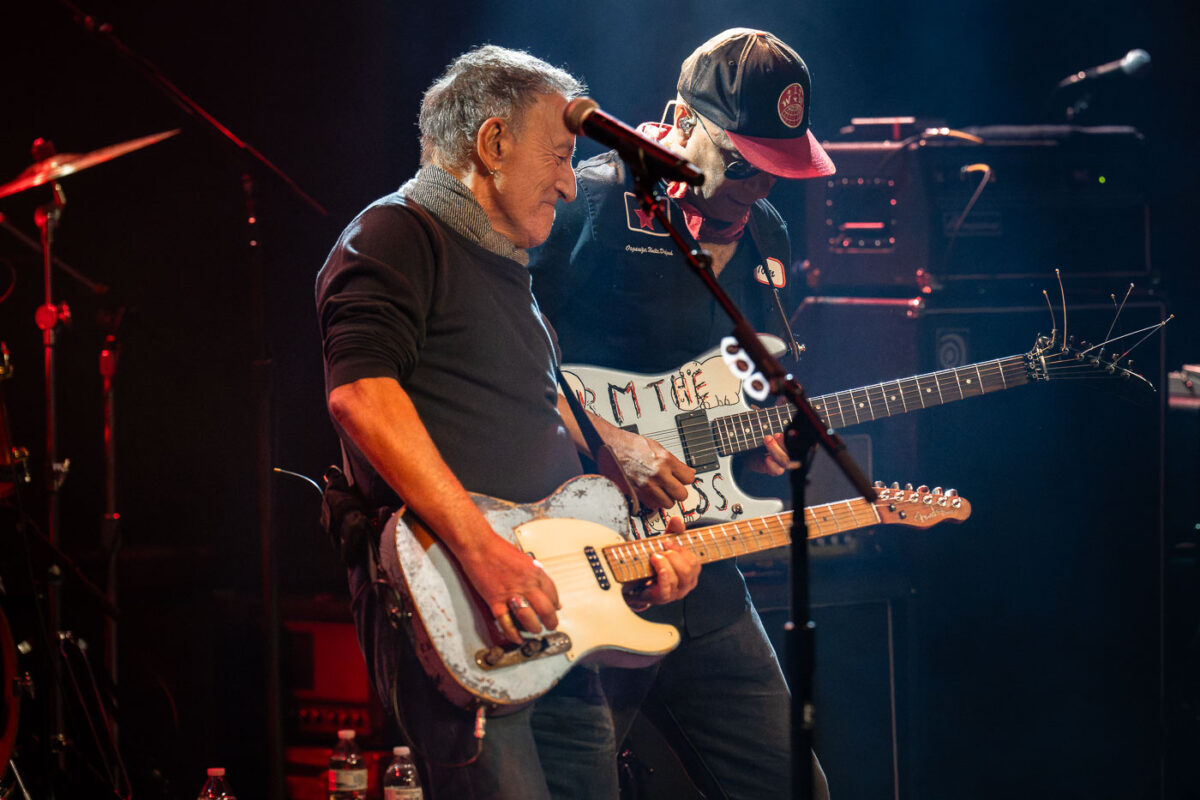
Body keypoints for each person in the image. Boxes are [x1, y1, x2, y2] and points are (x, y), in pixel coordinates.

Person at [315, 45, 700, 800]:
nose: (568, 181)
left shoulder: (506, 273)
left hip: (547, 612)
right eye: (558, 155)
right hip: (462, 596)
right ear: (492, 145)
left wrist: (638, 557)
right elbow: (360, 394)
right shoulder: (398, 232)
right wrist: (479, 546)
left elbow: (540, 416)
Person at [529, 28, 835, 799]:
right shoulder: (588, 204)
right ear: (677, 119)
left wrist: (761, 428)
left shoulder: (768, 235)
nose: (755, 190)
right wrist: (604, 442)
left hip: (697, 556)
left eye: (777, 172)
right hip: (579, 553)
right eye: (741, 164)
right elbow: (498, 356)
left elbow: (733, 372)